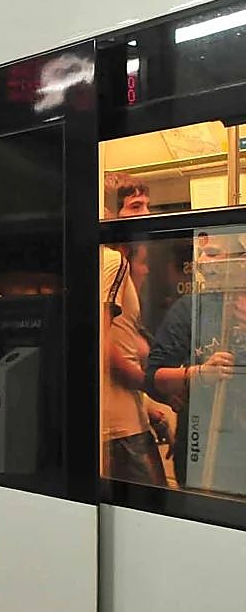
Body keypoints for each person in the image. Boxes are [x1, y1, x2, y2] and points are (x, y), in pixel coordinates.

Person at [147, 230, 246, 491]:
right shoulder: (190, 308)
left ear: (241, 259)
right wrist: (197, 374)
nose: (203, 261)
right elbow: (153, 377)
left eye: (213, 254)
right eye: (199, 253)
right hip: (201, 450)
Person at [101, 174, 166, 485]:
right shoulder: (113, 262)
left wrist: (148, 403)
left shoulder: (113, 261)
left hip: (128, 414)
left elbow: (122, 338)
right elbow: (102, 343)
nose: (146, 214)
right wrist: (152, 383)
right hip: (121, 426)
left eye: (147, 206)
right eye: (136, 206)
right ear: (111, 215)